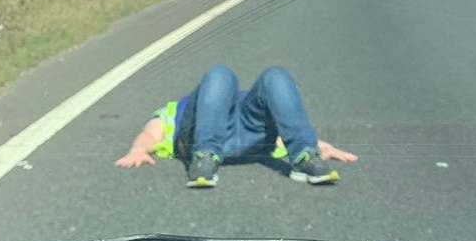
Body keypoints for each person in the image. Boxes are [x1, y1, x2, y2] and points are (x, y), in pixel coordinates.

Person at [115, 64, 357, 187]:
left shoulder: (245, 105)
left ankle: (305, 158)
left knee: (275, 76)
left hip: (251, 136)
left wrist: (315, 145)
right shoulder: (177, 110)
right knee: (221, 74)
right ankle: (205, 155)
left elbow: (283, 132)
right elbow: (151, 132)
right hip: (201, 136)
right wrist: (138, 150)